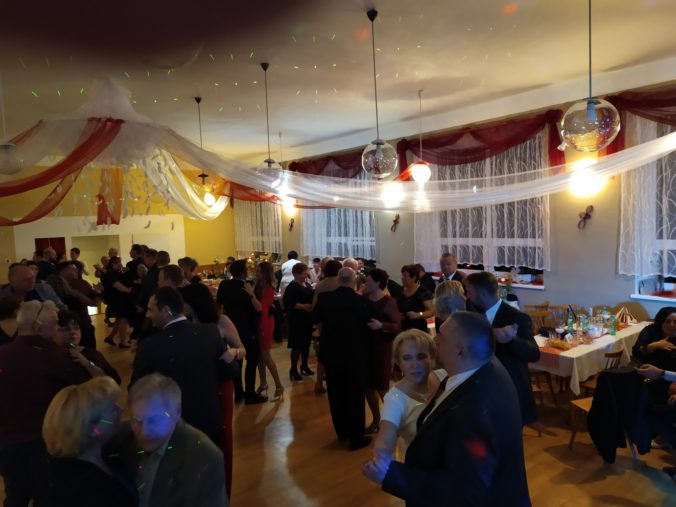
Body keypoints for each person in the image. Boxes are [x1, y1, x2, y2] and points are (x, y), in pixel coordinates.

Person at [363, 312, 531, 506]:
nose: (435, 340)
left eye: (442, 336)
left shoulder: (472, 410)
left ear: (461, 351)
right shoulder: (487, 366)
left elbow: (463, 490)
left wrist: (391, 475)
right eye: (407, 358)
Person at [0, 300, 91, 506]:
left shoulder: (2, 353)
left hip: (7, 443)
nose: (58, 328)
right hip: (46, 444)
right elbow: (85, 390)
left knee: (15, 495)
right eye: (55, 323)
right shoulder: (57, 357)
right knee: (49, 497)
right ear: (37, 327)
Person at [131, 287, 237, 445]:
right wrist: (231, 354)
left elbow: (136, 389)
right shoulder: (210, 332)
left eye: (150, 310)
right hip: (208, 421)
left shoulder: (150, 346)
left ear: (166, 311)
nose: (148, 315)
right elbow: (231, 370)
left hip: (172, 426)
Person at [104, 373, 227, 507]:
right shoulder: (121, 437)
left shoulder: (204, 458)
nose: (144, 432)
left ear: (176, 413)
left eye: (154, 420)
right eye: (136, 420)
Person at [39, 377, 136, 506]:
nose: (121, 409)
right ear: (92, 429)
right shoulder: (86, 489)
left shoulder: (99, 452)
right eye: (113, 409)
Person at [464, 271, 540, 425]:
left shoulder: (515, 317)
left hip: (508, 389)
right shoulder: (474, 314)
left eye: (469, 292)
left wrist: (511, 340)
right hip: (482, 390)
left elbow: (534, 353)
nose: (467, 296)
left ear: (481, 293)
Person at [314, 267, 374, 450]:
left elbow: (315, 318)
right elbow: (371, 324)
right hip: (355, 355)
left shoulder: (325, 299)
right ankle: (356, 438)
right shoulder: (361, 301)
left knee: (336, 394)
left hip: (331, 354)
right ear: (354, 281)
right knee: (355, 396)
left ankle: (342, 432)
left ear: (339, 280)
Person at [371, 329, 440, 458]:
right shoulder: (394, 399)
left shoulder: (443, 377)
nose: (415, 364)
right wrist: (381, 457)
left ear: (432, 356)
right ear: (398, 362)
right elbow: (385, 439)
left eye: (421, 356)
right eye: (407, 358)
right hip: (419, 464)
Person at [217, 259, 266, 404]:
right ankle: (250, 393)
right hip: (248, 328)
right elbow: (258, 309)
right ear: (244, 272)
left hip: (231, 328)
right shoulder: (247, 286)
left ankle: (238, 392)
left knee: (237, 359)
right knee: (252, 360)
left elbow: (219, 305)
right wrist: (251, 294)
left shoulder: (224, 284)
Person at [363, 268, 402, 434]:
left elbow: (397, 326)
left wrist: (382, 326)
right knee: (368, 387)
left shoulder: (388, 301)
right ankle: (376, 419)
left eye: (368, 281)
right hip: (366, 347)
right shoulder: (364, 298)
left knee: (382, 386)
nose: (365, 283)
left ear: (377, 283)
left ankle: (393, 421)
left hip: (382, 348)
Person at [55, 310, 121, 384]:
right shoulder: (52, 355)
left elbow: (113, 380)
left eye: (76, 328)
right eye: (66, 329)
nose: (73, 332)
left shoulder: (89, 353)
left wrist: (87, 363)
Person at [311, 259, 343, 395]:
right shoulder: (342, 283)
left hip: (324, 322)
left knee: (324, 353)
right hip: (340, 322)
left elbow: (314, 306)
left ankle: (319, 383)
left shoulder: (321, 285)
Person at [254, 261, 284, 400]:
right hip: (260, 321)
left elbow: (263, 308)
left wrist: (251, 294)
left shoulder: (269, 287)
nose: (256, 273)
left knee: (266, 355)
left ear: (264, 273)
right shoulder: (259, 284)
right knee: (261, 356)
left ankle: (278, 385)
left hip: (264, 322)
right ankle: (263, 383)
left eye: (258, 271)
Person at [283, 262, 315, 380]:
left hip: (307, 319)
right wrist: (304, 306)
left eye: (306, 272)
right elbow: (289, 303)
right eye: (303, 273)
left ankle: (304, 366)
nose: (305, 275)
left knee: (306, 344)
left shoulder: (307, 285)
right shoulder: (292, 287)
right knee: (297, 345)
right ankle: (293, 369)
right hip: (297, 319)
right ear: (296, 274)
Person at [0, 263, 67, 310]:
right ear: (12, 281)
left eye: (33, 278)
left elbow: (62, 308)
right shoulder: (2, 295)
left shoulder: (44, 288)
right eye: (26, 279)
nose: (32, 281)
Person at [632, 306, 676, 372]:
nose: (671, 325)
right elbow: (636, 353)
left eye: (675, 322)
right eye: (668, 321)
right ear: (661, 322)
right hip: (648, 370)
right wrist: (653, 346)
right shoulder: (650, 330)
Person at [101, 256, 132, 348]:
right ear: (112, 264)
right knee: (123, 320)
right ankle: (123, 342)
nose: (120, 264)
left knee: (119, 320)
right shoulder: (111, 274)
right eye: (117, 262)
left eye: (120, 262)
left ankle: (110, 337)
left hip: (118, 299)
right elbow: (117, 285)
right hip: (117, 300)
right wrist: (129, 290)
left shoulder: (115, 273)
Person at [396, 264, 434, 332]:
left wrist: (418, 314)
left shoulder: (422, 291)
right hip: (402, 326)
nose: (402, 278)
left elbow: (431, 312)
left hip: (418, 327)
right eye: (402, 276)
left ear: (413, 278)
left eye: (405, 276)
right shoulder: (401, 291)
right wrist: (397, 314)